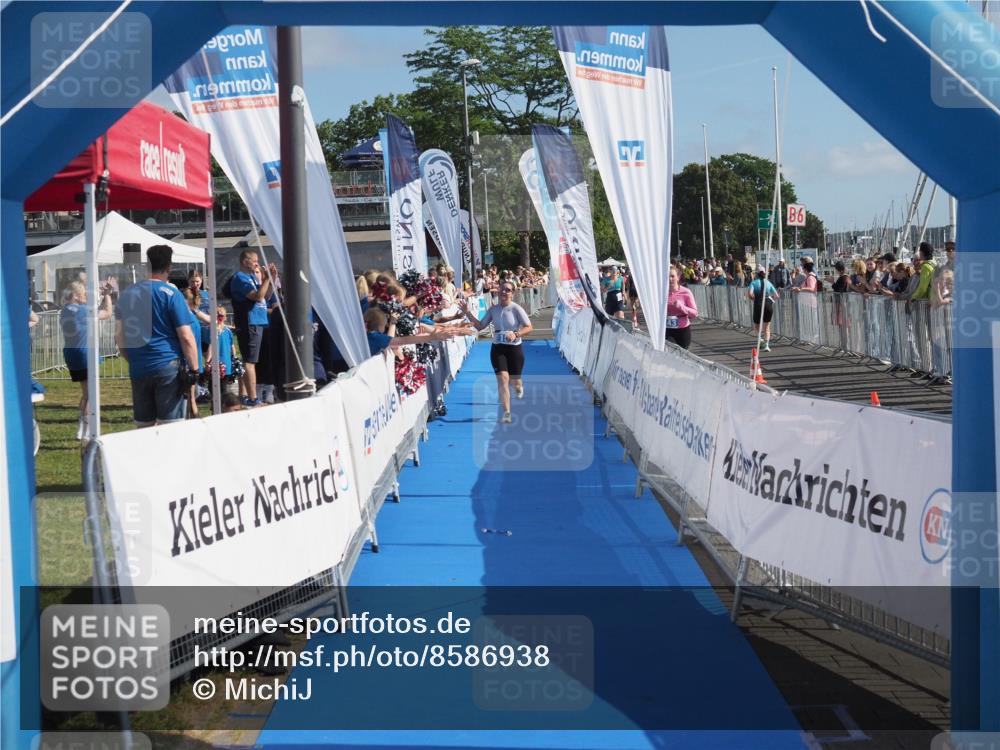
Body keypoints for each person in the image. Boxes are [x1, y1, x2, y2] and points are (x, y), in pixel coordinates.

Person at [115, 245, 200, 427]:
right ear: (169, 267)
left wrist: (133, 359)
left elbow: (119, 337)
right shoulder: (171, 294)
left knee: (144, 426)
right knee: (171, 426)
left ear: (147, 265)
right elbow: (186, 336)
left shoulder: (127, 294)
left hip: (139, 366)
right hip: (167, 364)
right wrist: (194, 369)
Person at [460, 280, 533, 424]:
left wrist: (516, 334)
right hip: (498, 348)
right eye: (502, 289)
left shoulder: (516, 309)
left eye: (507, 290)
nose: (504, 292)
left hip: (514, 349)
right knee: (503, 379)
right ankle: (506, 412)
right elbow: (480, 326)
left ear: (513, 293)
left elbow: (529, 327)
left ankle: (519, 386)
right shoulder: (493, 310)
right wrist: (467, 313)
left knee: (515, 381)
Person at [60, 280, 113, 439]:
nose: (86, 297)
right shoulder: (83, 311)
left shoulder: (65, 310)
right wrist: (108, 294)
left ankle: (82, 426)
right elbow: (107, 312)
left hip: (71, 354)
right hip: (85, 354)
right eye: (84, 294)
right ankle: (87, 427)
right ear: (76, 295)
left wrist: (102, 295)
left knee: (86, 393)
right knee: (91, 394)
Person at [229, 250, 272, 407]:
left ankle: (252, 396)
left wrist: (270, 279)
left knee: (253, 360)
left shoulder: (252, 277)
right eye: (254, 260)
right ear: (245, 261)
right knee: (250, 360)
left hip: (259, 321)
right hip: (249, 322)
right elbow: (257, 296)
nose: (257, 263)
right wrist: (266, 278)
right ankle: (252, 398)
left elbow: (266, 296)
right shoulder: (240, 278)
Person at [665, 266, 698, 349]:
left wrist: (681, 307)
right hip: (667, 328)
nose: (670, 279)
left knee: (683, 355)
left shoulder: (686, 292)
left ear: (678, 278)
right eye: (668, 276)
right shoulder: (662, 293)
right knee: (668, 354)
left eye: (672, 276)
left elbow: (694, 313)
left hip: (682, 328)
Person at [747, 267, 779, 351]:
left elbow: (750, 294)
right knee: (767, 327)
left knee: (757, 326)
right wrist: (771, 299)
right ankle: (767, 345)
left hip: (758, 303)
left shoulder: (754, 283)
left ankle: (760, 340)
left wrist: (754, 298)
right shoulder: (768, 282)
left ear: (757, 274)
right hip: (768, 304)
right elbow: (777, 296)